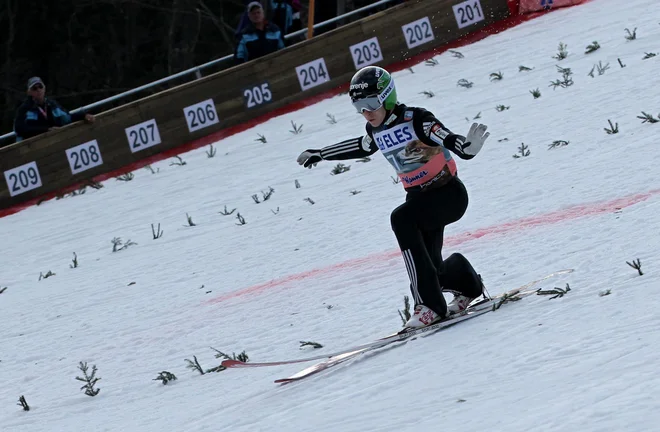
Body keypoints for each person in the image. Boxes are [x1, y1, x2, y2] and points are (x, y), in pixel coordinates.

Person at [296, 66, 491, 329]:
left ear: (387, 97)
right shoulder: (374, 128)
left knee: (401, 219)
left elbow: (448, 138)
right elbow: (361, 146)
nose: (366, 112)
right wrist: (321, 153)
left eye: (371, 103)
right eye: (359, 106)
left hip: (448, 195)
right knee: (432, 269)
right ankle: (468, 284)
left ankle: (429, 306)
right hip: (419, 200)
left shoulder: (417, 120)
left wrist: (466, 149)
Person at [14, 77, 95, 142]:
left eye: (40, 87)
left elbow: (67, 117)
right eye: (34, 88)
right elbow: (19, 129)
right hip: (31, 146)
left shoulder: (51, 104)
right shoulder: (24, 108)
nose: (38, 90)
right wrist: (46, 130)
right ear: (29, 92)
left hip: (52, 142)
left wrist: (83, 116)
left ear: (44, 89)